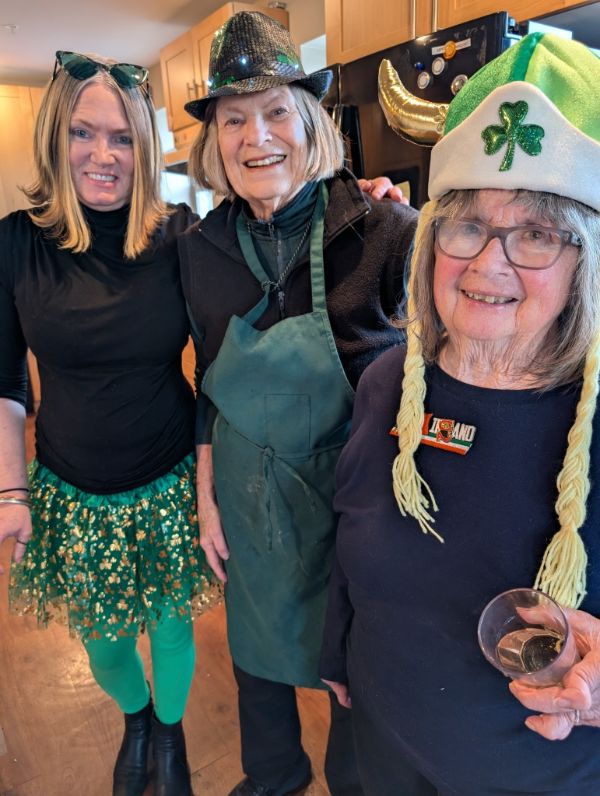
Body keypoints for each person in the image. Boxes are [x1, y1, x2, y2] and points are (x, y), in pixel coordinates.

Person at [319, 32, 600, 796]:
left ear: (586, 261)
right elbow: (351, 539)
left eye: (536, 233)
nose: (487, 262)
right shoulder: (387, 382)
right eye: (467, 224)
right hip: (380, 750)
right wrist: (337, 659)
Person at [178, 11, 418, 796]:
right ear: (214, 139)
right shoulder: (200, 251)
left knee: (355, 677)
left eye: (277, 111)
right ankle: (272, 780)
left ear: (311, 121)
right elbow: (208, 380)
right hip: (248, 505)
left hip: (357, 507)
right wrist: (207, 496)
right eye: (233, 119)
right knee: (255, 663)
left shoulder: (382, 228)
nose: (257, 137)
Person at [0, 50, 217, 796]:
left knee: (173, 629)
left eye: (123, 137)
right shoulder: (15, 243)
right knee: (106, 646)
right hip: (72, 488)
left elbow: (264, 247)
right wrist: (10, 492)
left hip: (170, 477)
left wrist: (355, 196)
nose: (104, 154)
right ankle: (138, 717)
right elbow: (5, 385)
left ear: (145, 147)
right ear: (55, 138)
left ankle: (170, 730)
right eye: (84, 133)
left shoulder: (180, 235)